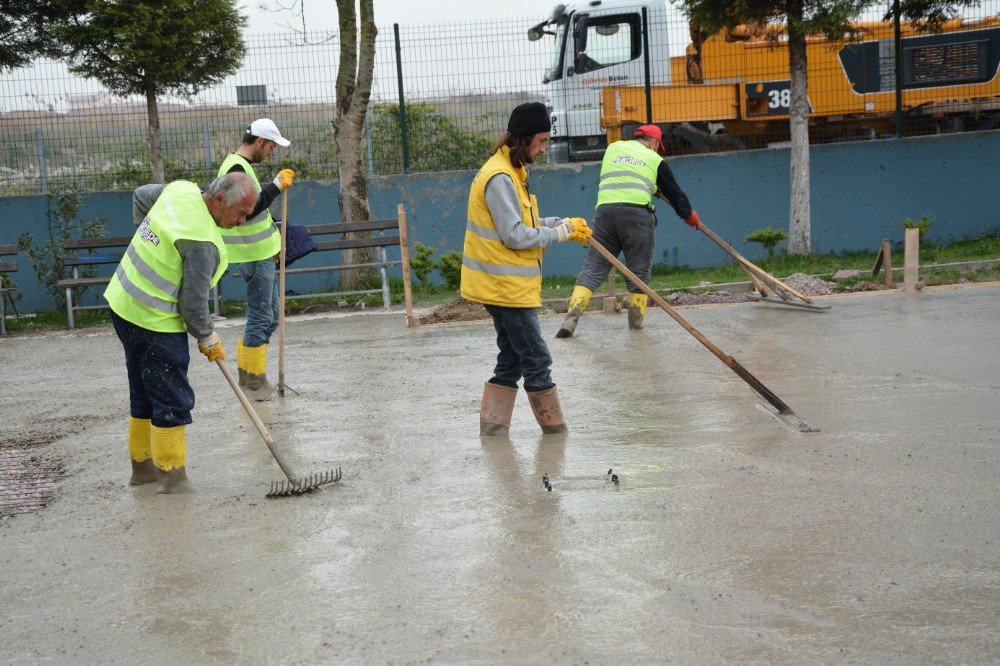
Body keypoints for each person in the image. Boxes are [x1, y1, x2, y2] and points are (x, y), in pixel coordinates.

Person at [105, 173, 257, 494]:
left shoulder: (180, 190)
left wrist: (150, 242)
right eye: (241, 214)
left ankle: (142, 472)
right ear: (218, 201)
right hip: (154, 322)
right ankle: (173, 480)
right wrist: (208, 337)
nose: (242, 222)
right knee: (171, 399)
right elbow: (192, 305)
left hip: (122, 303)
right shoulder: (203, 243)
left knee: (143, 392)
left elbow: (140, 194)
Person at [461, 101, 592, 436]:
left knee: (512, 360)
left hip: (505, 286)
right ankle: (556, 436)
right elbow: (514, 234)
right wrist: (558, 235)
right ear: (523, 140)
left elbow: (525, 223)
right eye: (542, 141)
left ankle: (491, 432)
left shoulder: (511, 173)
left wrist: (560, 223)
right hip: (505, 289)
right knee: (537, 359)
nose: (545, 148)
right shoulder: (500, 177)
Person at [556, 124, 700, 337]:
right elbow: (676, 195)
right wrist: (690, 216)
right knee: (639, 270)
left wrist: (652, 187)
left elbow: (626, 177)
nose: (656, 151)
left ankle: (571, 318)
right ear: (653, 143)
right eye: (657, 147)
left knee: (594, 267)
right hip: (637, 217)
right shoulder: (654, 159)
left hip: (605, 214)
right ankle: (635, 323)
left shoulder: (613, 149)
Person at [218, 118, 295, 400]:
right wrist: (275, 186)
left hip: (260, 251)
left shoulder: (241, 166)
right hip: (251, 254)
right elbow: (247, 211)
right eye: (272, 146)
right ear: (259, 141)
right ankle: (253, 382)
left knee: (270, 316)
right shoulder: (236, 168)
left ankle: (248, 371)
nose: (272, 152)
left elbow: (254, 213)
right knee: (261, 315)